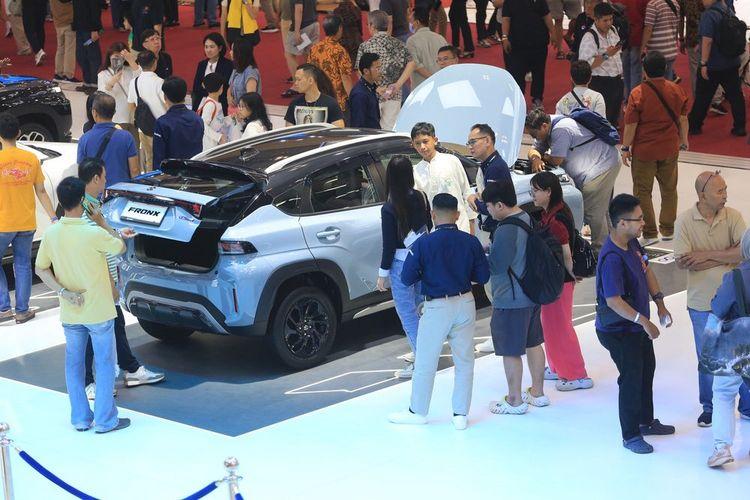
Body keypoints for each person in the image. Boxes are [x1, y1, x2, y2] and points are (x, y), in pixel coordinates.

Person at [35, 176, 134, 433]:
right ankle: (105, 420)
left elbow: (41, 268)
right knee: (104, 364)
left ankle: (80, 418)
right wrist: (102, 222)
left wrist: (64, 292)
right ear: (82, 200)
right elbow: (120, 247)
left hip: (71, 311)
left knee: (74, 365)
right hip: (99, 310)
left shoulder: (52, 233)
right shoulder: (93, 232)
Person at [388, 193, 489, 429]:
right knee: (464, 361)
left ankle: (418, 410)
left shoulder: (422, 244)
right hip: (465, 301)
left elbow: (406, 277)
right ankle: (460, 414)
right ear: (457, 214)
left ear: (433, 215)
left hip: (436, 305)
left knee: (426, 361)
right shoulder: (470, 242)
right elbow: (483, 276)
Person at [76, 159, 165, 400]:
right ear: (96, 178)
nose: (106, 181)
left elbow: (102, 237)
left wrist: (116, 233)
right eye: (104, 177)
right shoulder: (86, 210)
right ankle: (89, 382)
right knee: (90, 332)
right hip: (97, 282)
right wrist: (110, 283)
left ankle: (131, 368)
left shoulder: (92, 204)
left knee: (115, 325)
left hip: (102, 280)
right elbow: (96, 248)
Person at [595, 193, 675, 454]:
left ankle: (645, 421)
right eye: (638, 219)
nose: (644, 223)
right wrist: (644, 322)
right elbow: (613, 301)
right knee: (630, 378)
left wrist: (659, 302)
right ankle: (630, 436)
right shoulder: (612, 258)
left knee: (646, 370)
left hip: (635, 326)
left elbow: (646, 270)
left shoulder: (633, 245)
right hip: (618, 330)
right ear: (621, 223)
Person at [674, 171, 750, 428]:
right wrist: (727, 254)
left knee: (743, 356)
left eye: (725, 189)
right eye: (720, 191)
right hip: (701, 304)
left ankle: (747, 406)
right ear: (702, 195)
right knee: (707, 360)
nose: (725, 195)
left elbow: (744, 254)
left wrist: (706, 255)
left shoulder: (734, 216)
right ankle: (709, 408)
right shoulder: (684, 222)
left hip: (737, 304)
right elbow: (684, 261)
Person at [480, 180, 548, 414]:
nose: (488, 211)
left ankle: (514, 400)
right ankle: (537, 393)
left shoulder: (506, 229)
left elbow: (497, 265)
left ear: (500, 205)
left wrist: (484, 255)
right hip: (531, 294)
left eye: (489, 206)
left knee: (510, 350)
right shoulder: (526, 217)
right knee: (533, 343)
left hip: (510, 299)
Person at [530, 172, 593, 390]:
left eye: (536, 191)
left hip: (560, 280)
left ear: (548, 192)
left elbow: (566, 253)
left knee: (560, 326)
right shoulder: (554, 212)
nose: (533, 195)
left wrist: (571, 274)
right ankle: (557, 366)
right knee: (551, 325)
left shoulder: (556, 219)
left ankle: (576, 374)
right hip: (558, 278)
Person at [525, 107, 621, 249]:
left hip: (603, 164)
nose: (534, 138)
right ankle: (613, 245)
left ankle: (599, 249)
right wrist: (535, 158)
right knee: (600, 209)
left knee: (593, 209)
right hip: (598, 166)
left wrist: (543, 157)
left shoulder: (560, 130)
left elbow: (556, 160)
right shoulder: (547, 125)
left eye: (534, 134)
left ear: (544, 126)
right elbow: (533, 150)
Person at [621, 51, 689, 246]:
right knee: (669, 189)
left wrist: (625, 147)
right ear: (665, 68)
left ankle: (649, 232)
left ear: (644, 70)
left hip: (645, 151)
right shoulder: (677, 90)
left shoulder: (637, 93)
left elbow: (631, 125)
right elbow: (683, 119)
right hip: (669, 148)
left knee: (643, 191)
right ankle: (668, 229)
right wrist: (684, 140)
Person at [376, 156, 433, 379]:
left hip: (401, 264)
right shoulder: (420, 196)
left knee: (407, 312)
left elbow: (388, 245)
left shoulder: (389, 207)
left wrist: (382, 274)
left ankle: (422, 360)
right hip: (421, 258)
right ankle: (426, 352)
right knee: (421, 307)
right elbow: (428, 226)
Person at [0, 113, 56, 325]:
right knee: (23, 264)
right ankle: (22, 311)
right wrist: (53, 217)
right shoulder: (31, 159)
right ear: (18, 133)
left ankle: (4, 308)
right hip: (26, 222)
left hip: (3, 223)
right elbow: (41, 191)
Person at [706, 229, 750, 467]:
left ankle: (722, 448)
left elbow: (718, 307)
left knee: (723, 393)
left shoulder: (735, 277)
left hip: (735, 343)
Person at [687, 0, 746, 137]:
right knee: (736, 96)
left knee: (703, 97)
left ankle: (694, 125)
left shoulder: (709, 15)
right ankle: (740, 127)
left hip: (714, 64)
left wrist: (703, 63)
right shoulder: (728, 10)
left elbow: (708, 41)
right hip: (731, 61)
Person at [411, 122, 476, 234]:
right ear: (413, 145)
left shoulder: (451, 161)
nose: (422, 147)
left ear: (435, 140)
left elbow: (466, 192)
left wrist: (471, 227)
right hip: (435, 231)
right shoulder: (416, 171)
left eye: (425, 141)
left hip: (460, 226)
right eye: (417, 143)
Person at [355, 10, 415, 130]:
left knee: (373, 129)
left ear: (372, 26)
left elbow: (359, 70)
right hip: (393, 93)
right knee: (390, 128)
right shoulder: (399, 44)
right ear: (387, 25)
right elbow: (412, 63)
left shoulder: (365, 46)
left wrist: (375, 88)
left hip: (373, 93)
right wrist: (398, 84)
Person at [501, 0, 556, 108]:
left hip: (539, 43)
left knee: (539, 72)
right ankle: (518, 100)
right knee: (517, 74)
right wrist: (504, 37)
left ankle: (537, 99)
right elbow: (506, 18)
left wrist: (553, 32)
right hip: (517, 45)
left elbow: (546, 15)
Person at [77, 93, 140, 186]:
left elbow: (82, 172)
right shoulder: (127, 137)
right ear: (114, 112)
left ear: (94, 112)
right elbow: (134, 170)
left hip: (96, 192)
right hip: (121, 191)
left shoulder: (84, 139)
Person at [578, 2, 624, 126]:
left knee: (613, 119)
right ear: (596, 19)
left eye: (611, 19)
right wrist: (606, 55)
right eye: (605, 20)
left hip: (617, 81)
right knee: (601, 121)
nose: (609, 23)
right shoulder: (589, 37)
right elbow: (585, 65)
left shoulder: (613, 30)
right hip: (600, 84)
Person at [127, 50, 167, 172]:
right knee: (163, 159)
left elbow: (131, 106)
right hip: (161, 127)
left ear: (139, 63)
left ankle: (150, 179)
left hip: (143, 128)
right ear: (155, 63)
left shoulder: (134, 82)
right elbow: (167, 104)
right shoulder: (160, 82)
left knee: (149, 159)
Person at [308, 15, 353, 119]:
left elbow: (310, 72)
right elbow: (345, 77)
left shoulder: (314, 48)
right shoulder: (339, 50)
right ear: (340, 28)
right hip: (337, 99)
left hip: (319, 97)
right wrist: (352, 97)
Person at [153, 77, 204, 167]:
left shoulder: (162, 123)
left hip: (172, 173)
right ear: (185, 95)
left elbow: (159, 158)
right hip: (195, 170)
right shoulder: (197, 118)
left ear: (165, 97)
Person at [98, 42, 139, 145]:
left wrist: (131, 61)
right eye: (116, 57)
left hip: (132, 118)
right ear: (109, 57)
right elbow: (102, 97)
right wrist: (110, 83)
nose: (119, 60)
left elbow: (141, 79)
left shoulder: (130, 70)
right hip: (116, 118)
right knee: (118, 147)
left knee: (134, 147)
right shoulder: (103, 74)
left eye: (122, 57)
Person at [191, 33, 233, 115]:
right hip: (201, 103)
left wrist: (205, 87)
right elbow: (196, 88)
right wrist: (212, 89)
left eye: (212, 47)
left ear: (220, 48)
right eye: (206, 47)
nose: (208, 50)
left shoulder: (228, 65)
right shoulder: (202, 64)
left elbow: (224, 88)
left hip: (220, 104)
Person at [406, 6, 448, 88]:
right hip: (440, 83)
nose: (410, 24)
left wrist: (432, 79)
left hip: (421, 86)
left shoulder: (411, 41)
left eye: (411, 21)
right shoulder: (440, 38)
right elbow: (448, 60)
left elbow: (416, 65)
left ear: (417, 22)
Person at [614, 0, 648, 99]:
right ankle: (634, 98)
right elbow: (647, 18)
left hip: (622, 37)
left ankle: (627, 98)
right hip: (637, 35)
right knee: (635, 69)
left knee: (624, 69)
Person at [641, 0, 681, 80]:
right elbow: (677, 26)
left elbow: (648, 28)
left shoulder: (653, 4)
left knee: (655, 82)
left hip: (656, 52)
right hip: (671, 49)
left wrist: (642, 48)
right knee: (668, 81)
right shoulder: (675, 3)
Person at [72, 0, 103, 85]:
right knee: (81, 55)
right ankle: (87, 80)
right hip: (79, 28)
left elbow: (95, 9)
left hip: (89, 29)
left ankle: (94, 81)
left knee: (92, 55)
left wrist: (95, 29)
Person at [228, 36, 262, 111]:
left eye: (233, 50)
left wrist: (239, 111)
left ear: (240, 53)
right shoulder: (236, 69)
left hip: (247, 112)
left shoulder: (251, 73)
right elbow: (230, 87)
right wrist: (229, 97)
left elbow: (250, 99)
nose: (230, 52)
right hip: (236, 111)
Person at [349, 52, 381, 129]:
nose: (381, 71)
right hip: (368, 135)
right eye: (377, 68)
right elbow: (358, 126)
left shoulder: (370, 88)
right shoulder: (359, 94)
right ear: (366, 71)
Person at [198, 73, 226, 150]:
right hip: (209, 145)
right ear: (221, 88)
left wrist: (230, 119)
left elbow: (218, 120)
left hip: (215, 144)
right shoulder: (210, 105)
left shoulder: (215, 103)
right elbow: (203, 125)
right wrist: (218, 137)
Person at [50, 0, 76, 82]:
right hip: (68, 21)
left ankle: (58, 73)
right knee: (70, 49)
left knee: (60, 48)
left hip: (58, 21)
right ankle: (68, 75)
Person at [21, 0, 46, 65]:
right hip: (42, 4)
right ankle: (40, 52)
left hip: (28, 4)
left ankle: (38, 51)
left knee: (29, 30)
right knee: (40, 28)